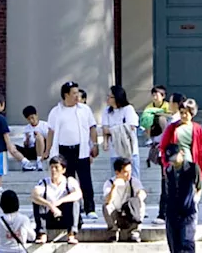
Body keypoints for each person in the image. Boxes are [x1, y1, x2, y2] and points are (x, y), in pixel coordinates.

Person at [47, 81, 100, 220]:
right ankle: (71, 207)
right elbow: (51, 132)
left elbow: (92, 127)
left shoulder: (84, 109)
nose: (77, 96)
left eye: (78, 93)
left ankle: (90, 208)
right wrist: (47, 150)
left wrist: (94, 144)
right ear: (66, 95)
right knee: (67, 180)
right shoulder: (56, 111)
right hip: (63, 150)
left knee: (85, 179)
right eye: (74, 93)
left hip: (81, 149)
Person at [32, 155, 83, 245]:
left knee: (75, 202)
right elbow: (34, 196)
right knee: (38, 202)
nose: (53, 170)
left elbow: (78, 194)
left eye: (56, 167)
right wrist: (51, 205)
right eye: (51, 167)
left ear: (63, 170)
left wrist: (60, 201)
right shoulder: (44, 182)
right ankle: (42, 233)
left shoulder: (69, 181)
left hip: (66, 217)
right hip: (49, 217)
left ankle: (71, 234)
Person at [160, 98, 202, 190]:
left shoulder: (197, 129)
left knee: (189, 192)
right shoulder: (172, 128)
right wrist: (166, 164)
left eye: (186, 113)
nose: (184, 115)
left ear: (192, 114)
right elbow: (163, 147)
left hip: (190, 164)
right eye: (181, 112)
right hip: (175, 164)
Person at [162, 143, 200, 253]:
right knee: (174, 246)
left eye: (174, 157)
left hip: (188, 212)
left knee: (187, 244)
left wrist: (195, 200)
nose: (173, 161)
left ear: (181, 153)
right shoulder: (168, 171)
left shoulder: (192, 168)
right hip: (172, 212)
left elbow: (199, 187)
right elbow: (167, 191)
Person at [155, 92, 186, 220]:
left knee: (169, 185)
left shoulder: (178, 121)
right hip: (169, 156)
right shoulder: (173, 119)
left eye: (171, 102)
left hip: (173, 156)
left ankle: (165, 213)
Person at [103, 156, 147, 242]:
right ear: (117, 172)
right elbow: (108, 201)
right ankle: (113, 233)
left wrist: (138, 198)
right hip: (116, 214)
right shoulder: (109, 183)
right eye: (125, 172)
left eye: (130, 171)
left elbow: (142, 192)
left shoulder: (133, 181)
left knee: (141, 203)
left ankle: (134, 232)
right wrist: (114, 187)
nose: (129, 174)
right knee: (106, 207)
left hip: (130, 213)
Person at [0, 95, 27, 194]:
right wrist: (9, 145)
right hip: (0, 148)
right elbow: (5, 134)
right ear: (1, 105)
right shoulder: (1, 119)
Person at [103, 86, 141, 181]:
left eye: (111, 97)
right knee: (116, 177)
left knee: (133, 178)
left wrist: (112, 130)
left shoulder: (128, 109)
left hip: (129, 149)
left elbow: (131, 127)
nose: (108, 99)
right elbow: (105, 129)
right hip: (115, 149)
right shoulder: (107, 111)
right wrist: (105, 142)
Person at [139, 85, 169, 159]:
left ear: (163, 96)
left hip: (163, 126)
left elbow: (170, 114)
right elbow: (145, 114)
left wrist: (158, 113)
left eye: (157, 96)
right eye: (153, 96)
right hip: (152, 127)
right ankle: (148, 138)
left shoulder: (166, 105)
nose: (155, 98)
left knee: (162, 118)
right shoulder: (150, 106)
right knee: (147, 118)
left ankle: (164, 137)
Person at [20, 106, 50, 171]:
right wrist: (27, 139)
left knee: (38, 137)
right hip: (31, 150)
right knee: (14, 147)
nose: (31, 120)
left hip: (43, 150)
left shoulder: (44, 125)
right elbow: (25, 145)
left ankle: (39, 161)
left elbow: (49, 139)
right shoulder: (26, 128)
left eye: (32, 118)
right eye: (29, 119)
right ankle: (26, 163)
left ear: (36, 115)